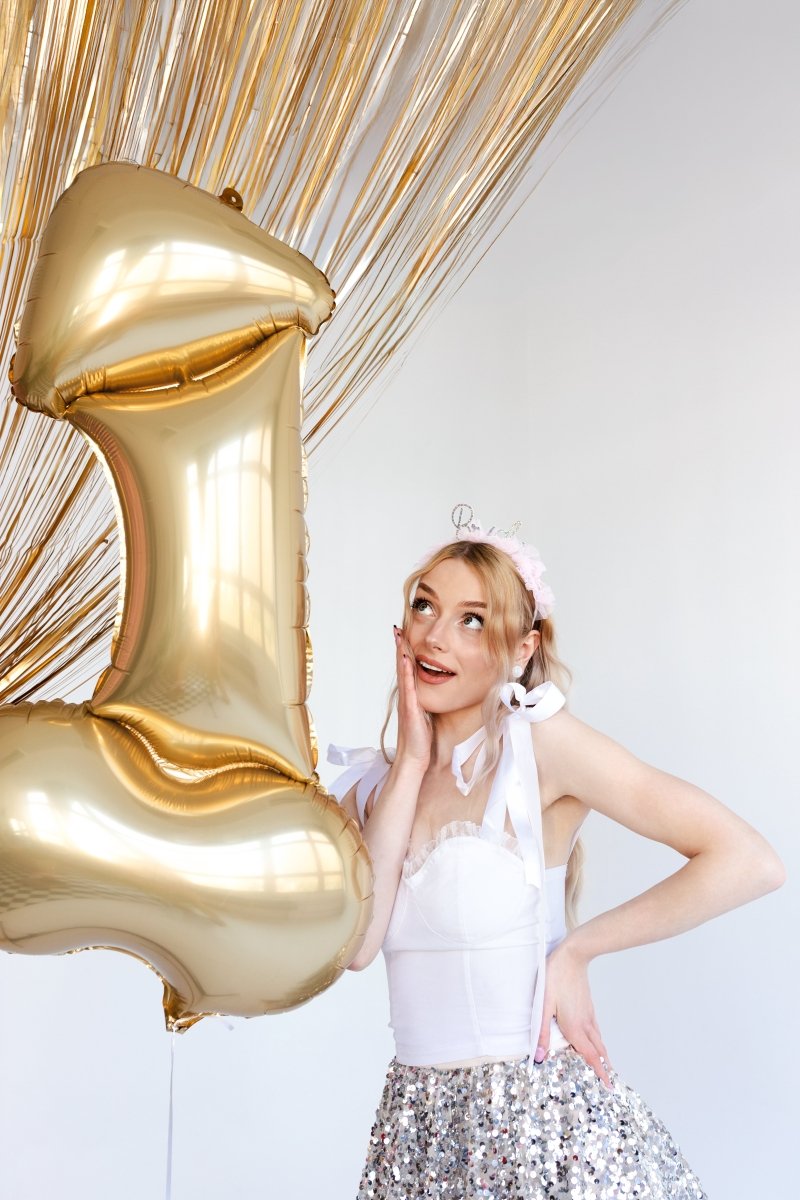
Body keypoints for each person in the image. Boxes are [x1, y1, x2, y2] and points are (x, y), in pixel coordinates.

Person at [327, 505, 785, 1200]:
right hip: (417, 1136)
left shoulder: (539, 747)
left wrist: (578, 950)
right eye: (425, 606)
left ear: (521, 649)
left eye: (472, 620)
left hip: (542, 1128)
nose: (435, 636)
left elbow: (748, 860)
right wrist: (412, 761)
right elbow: (357, 947)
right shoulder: (371, 787)